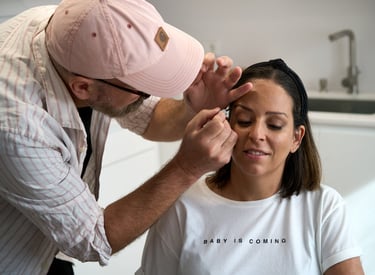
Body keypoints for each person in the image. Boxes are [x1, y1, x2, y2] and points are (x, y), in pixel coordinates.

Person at [0, 0, 252, 274]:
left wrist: (192, 108)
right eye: (143, 89)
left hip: (47, 244)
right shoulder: (18, 125)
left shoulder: (79, 26)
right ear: (83, 87)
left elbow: (148, 117)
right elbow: (93, 239)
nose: (150, 94)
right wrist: (186, 167)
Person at [137, 59, 365, 275]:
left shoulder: (323, 207)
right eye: (245, 120)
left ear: (297, 138)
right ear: (227, 124)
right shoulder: (182, 206)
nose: (256, 135)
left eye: (274, 125)